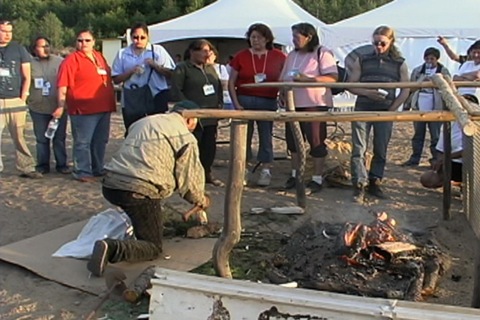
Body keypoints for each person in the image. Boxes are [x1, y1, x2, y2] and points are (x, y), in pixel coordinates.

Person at [87, 100, 210, 277]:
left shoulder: (145, 121)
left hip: (111, 182)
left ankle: (132, 231)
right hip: (138, 189)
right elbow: (189, 180)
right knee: (152, 247)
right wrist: (201, 200)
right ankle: (112, 248)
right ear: (191, 119)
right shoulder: (185, 138)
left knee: (147, 214)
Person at [347, 25, 410, 203]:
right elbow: (351, 84)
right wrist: (366, 92)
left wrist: (392, 109)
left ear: (391, 42)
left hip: (385, 110)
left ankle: (375, 181)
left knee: (380, 148)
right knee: (359, 148)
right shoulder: (362, 59)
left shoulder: (399, 63)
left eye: (382, 43)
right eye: (375, 43)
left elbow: (406, 90)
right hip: (362, 108)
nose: (379, 47)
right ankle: (359, 183)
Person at [279, 22, 338, 194]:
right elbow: (283, 77)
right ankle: (296, 174)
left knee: (316, 141)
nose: (294, 41)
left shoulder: (322, 52)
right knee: (293, 142)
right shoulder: (291, 55)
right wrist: (282, 91)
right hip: (292, 104)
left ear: (308, 37)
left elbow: (333, 78)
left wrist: (309, 80)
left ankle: (317, 178)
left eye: (296, 37)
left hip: (315, 104)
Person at [228, 23, 286, 186]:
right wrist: (236, 103)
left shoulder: (279, 56)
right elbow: (232, 82)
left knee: (266, 135)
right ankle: (242, 168)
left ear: (267, 39)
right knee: (243, 136)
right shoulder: (241, 56)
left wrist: (282, 94)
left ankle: (266, 169)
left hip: (267, 100)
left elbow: (284, 79)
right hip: (244, 99)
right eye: (252, 37)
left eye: (259, 37)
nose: (255, 40)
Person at [56, 30, 116, 182]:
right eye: (80, 40)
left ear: (94, 41)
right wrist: (60, 105)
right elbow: (62, 85)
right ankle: (81, 171)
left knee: (100, 141)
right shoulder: (71, 60)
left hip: (104, 106)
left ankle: (97, 168)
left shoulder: (99, 57)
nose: (84, 44)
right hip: (83, 109)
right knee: (83, 142)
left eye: (87, 40)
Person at [171, 39, 223, 186]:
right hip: (192, 117)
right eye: (204, 51)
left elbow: (217, 86)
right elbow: (176, 90)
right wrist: (188, 108)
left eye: (209, 50)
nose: (208, 54)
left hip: (211, 115)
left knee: (209, 146)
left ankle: (206, 173)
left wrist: (219, 103)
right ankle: (188, 176)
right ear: (193, 52)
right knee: (192, 146)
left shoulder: (210, 68)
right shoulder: (183, 68)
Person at [112, 22, 175, 130]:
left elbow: (171, 74)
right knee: (133, 130)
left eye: (142, 37)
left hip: (156, 95)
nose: (139, 40)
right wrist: (130, 71)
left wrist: (155, 66)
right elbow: (116, 79)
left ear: (148, 37)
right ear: (131, 37)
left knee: (156, 130)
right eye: (135, 37)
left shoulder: (157, 50)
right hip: (133, 97)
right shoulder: (123, 53)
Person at [0, 20, 41, 178]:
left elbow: (27, 75)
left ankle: (26, 167)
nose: (7, 34)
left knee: (19, 136)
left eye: (9, 31)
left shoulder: (18, 49)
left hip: (15, 100)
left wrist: (23, 97)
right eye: (3, 31)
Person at [28, 36, 70, 175]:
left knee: (59, 138)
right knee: (41, 139)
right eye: (41, 46)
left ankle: (61, 165)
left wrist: (63, 105)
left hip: (58, 107)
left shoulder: (60, 62)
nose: (45, 48)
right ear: (34, 49)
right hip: (38, 108)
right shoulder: (29, 63)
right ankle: (43, 165)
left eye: (47, 45)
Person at [403, 47, 451, 167]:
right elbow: (411, 89)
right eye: (427, 58)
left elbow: (448, 89)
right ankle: (415, 159)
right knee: (418, 135)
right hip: (419, 105)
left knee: (435, 136)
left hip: (436, 107)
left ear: (437, 59)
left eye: (432, 59)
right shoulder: (418, 70)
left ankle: (436, 160)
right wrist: (407, 105)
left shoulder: (443, 71)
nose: (429, 61)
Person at [420, 94, 477, 189]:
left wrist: (446, 157)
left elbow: (471, 151)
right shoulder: (450, 123)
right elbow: (440, 148)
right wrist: (438, 160)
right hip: (454, 161)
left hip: (470, 163)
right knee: (427, 178)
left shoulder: (475, 125)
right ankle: (442, 179)